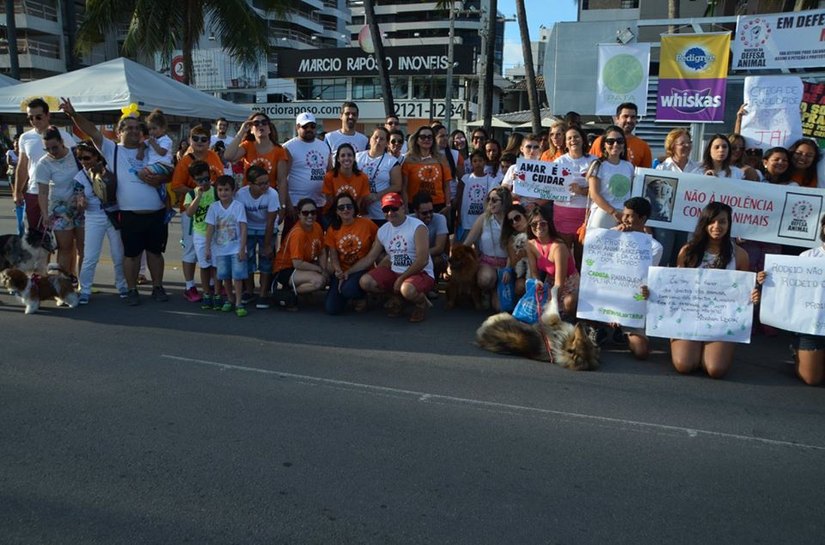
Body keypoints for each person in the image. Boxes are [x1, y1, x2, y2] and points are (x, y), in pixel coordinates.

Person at [61, 97, 171, 305]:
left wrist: (163, 178)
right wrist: (73, 114)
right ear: (119, 132)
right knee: (130, 255)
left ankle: (158, 287)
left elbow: (169, 171)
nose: (133, 131)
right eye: (128, 128)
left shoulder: (151, 148)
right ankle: (131, 290)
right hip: (130, 214)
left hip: (156, 212)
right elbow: (92, 131)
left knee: (156, 254)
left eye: (137, 128)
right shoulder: (112, 149)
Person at [671, 202, 759, 379]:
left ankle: (710, 347)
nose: (717, 227)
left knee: (715, 369)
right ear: (704, 224)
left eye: (722, 222)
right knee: (684, 364)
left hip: (722, 319)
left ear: (729, 224)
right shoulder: (688, 251)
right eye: (712, 222)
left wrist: (753, 295)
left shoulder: (740, 255)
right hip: (689, 315)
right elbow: (676, 287)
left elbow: (742, 292)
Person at [347, 192, 435, 322]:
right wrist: (348, 272)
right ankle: (398, 299)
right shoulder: (383, 230)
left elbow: (423, 260)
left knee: (407, 289)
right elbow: (370, 258)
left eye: (394, 208)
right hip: (395, 272)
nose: (390, 212)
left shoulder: (417, 227)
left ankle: (421, 304)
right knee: (365, 282)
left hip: (421, 273)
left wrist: (402, 278)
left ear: (403, 207)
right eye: (386, 209)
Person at [759, 215, 825, 385]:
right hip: (811, 328)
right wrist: (766, 279)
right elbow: (788, 289)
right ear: (823, 228)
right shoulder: (807, 257)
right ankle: (798, 351)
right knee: (811, 378)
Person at [169, 126, 225, 302]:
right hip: (193, 214)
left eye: (204, 139)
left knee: (214, 250)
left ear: (209, 141)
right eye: (196, 138)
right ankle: (189, 286)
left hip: (214, 213)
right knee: (191, 251)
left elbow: (220, 179)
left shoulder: (213, 156)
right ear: (190, 139)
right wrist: (196, 192)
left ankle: (213, 286)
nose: (200, 142)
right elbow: (176, 186)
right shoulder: (185, 161)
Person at [73, 142, 128, 304]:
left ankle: (121, 285)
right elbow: (78, 195)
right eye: (80, 158)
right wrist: (80, 201)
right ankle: (85, 289)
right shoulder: (79, 177)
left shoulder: (110, 170)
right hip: (93, 217)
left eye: (87, 157)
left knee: (118, 255)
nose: (84, 161)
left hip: (113, 215)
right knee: (90, 256)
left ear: (97, 156)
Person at [612, 197, 664, 359]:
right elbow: (588, 243)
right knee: (574, 301)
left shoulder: (654, 247)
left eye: (629, 216)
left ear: (642, 219)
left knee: (641, 351)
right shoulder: (612, 235)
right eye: (624, 215)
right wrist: (613, 234)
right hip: (607, 298)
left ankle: (623, 333)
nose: (625, 219)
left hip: (631, 304)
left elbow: (643, 280)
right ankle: (597, 326)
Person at [15, 98, 77, 231]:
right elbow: (22, 166)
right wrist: (17, 191)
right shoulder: (25, 138)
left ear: (48, 115)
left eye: (38, 117)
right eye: (30, 118)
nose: (34, 121)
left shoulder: (64, 136)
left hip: (60, 194)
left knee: (64, 238)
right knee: (37, 238)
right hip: (34, 191)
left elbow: (77, 163)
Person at [33, 125, 83, 274]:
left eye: (54, 147)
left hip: (81, 206)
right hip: (59, 210)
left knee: (83, 247)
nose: (51, 152)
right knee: (65, 248)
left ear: (62, 141)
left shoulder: (76, 154)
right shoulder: (44, 163)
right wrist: (45, 214)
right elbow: (42, 192)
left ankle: (83, 283)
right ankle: (62, 285)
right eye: (47, 149)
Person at [324, 193, 378, 315]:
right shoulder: (332, 229)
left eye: (349, 206)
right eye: (341, 207)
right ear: (336, 211)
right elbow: (333, 255)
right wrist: (338, 272)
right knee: (332, 309)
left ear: (354, 208)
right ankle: (349, 296)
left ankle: (361, 297)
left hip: (362, 269)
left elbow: (380, 244)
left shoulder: (367, 224)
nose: (346, 210)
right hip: (343, 271)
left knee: (348, 289)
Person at [654, 128, 702, 266]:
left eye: (689, 142)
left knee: (682, 258)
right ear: (672, 145)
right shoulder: (662, 168)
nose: (686, 146)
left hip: (688, 221)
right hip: (665, 221)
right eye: (682, 143)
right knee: (663, 255)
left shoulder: (700, 168)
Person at [234, 165, 280, 309]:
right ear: (250, 184)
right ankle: (249, 290)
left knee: (266, 260)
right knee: (247, 259)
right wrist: (241, 243)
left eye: (267, 182)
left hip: (267, 228)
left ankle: (263, 293)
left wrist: (267, 245)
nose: (266, 186)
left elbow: (271, 221)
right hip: (248, 228)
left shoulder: (272, 194)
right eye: (261, 184)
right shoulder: (241, 195)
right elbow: (240, 219)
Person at [462, 186, 512, 311]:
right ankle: (486, 291)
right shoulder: (484, 218)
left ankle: (496, 291)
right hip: (487, 263)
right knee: (486, 279)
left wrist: (507, 269)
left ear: (504, 202)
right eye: (489, 199)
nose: (490, 202)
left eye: (494, 200)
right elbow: (467, 243)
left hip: (507, 265)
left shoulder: (512, 220)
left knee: (500, 308)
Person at [272, 198, 327, 310]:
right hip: (286, 269)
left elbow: (322, 252)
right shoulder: (298, 233)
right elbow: (297, 263)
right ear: (299, 215)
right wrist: (319, 269)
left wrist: (324, 268)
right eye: (305, 213)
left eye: (313, 212)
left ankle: (304, 291)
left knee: (331, 271)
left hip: (304, 264)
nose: (310, 216)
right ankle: (288, 293)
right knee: (319, 281)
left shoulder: (317, 226)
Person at [205, 175, 248, 317]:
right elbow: (210, 228)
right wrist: (207, 248)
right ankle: (229, 299)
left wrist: (242, 248)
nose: (223, 193)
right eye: (220, 190)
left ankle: (239, 302)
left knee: (238, 276)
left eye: (227, 190)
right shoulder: (213, 208)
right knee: (225, 276)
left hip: (236, 248)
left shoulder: (238, 206)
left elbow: (243, 227)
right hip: (220, 249)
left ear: (233, 190)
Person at [524, 205, 579, 317]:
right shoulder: (530, 244)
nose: (538, 227)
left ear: (549, 224)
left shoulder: (558, 247)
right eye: (534, 224)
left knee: (567, 303)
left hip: (568, 284)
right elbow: (534, 273)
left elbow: (560, 283)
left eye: (543, 223)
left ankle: (573, 320)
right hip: (549, 283)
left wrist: (550, 307)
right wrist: (538, 288)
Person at [281, 112, 332, 233]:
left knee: (317, 240)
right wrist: (287, 204)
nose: (309, 129)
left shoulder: (324, 146)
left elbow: (330, 174)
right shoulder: (288, 147)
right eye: (305, 126)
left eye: (312, 126)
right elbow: (282, 179)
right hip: (296, 204)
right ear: (297, 127)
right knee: (291, 238)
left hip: (319, 203)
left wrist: (329, 201)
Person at [554, 125, 595, 267]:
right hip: (562, 213)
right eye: (569, 138)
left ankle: (580, 286)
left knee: (581, 256)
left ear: (583, 140)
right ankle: (565, 285)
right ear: (565, 143)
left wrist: (582, 191)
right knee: (564, 255)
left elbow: (601, 190)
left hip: (586, 214)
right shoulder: (559, 162)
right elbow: (549, 187)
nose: (573, 140)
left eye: (576, 137)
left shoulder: (594, 161)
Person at [183, 161, 219, 310]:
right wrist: (199, 196)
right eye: (200, 180)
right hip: (200, 234)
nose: (204, 182)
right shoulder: (191, 194)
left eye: (206, 179)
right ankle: (206, 293)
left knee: (216, 265)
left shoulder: (217, 191)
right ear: (194, 180)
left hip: (217, 234)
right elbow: (189, 213)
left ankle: (216, 291)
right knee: (204, 265)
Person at [585, 124, 634, 229]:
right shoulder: (598, 165)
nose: (615, 144)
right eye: (610, 141)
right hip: (604, 213)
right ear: (604, 145)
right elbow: (594, 193)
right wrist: (613, 212)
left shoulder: (629, 166)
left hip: (624, 216)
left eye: (619, 141)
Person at [224, 111, 287, 190]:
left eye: (264, 122)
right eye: (256, 123)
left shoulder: (279, 150)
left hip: (269, 195)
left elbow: (282, 181)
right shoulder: (247, 145)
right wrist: (242, 131)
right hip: (249, 195)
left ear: (269, 129)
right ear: (251, 130)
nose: (260, 125)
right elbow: (228, 156)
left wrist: (282, 202)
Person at [356, 127, 402, 226]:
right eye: (375, 137)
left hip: (381, 212)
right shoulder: (357, 157)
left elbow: (397, 186)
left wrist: (376, 196)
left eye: (382, 139)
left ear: (386, 143)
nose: (378, 141)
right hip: (360, 210)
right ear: (370, 139)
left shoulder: (391, 161)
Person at [401, 125, 451, 212]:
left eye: (429, 137)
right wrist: (405, 207)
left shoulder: (441, 159)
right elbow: (404, 187)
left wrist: (448, 205)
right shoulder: (408, 160)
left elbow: (447, 185)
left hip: (438, 205)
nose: (426, 140)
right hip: (415, 206)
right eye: (423, 137)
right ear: (417, 140)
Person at [589, 102, 652, 168]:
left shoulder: (643, 146)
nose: (629, 120)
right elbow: (591, 167)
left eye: (633, 117)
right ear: (617, 119)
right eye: (625, 116)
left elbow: (645, 174)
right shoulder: (600, 142)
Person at [457, 150, 501, 242]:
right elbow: (459, 199)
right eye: (475, 161)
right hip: (466, 222)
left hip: (484, 222)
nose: (478, 163)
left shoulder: (492, 180)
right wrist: (459, 216)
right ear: (471, 163)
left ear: (485, 162)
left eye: (480, 160)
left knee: (480, 250)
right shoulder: (465, 179)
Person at [502, 134, 550, 213]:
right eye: (528, 147)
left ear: (540, 149)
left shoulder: (546, 170)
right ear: (521, 148)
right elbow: (503, 191)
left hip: (538, 211)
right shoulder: (513, 168)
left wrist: (536, 204)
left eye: (535, 147)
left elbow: (551, 193)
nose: (532, 150)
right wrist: (513, 196)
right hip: (517, 209)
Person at [322, 143, 370, 215]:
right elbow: (330, 201)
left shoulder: (363, 177)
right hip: (333, 214)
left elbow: (359, 202)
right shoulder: (329, 177)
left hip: (352, 215)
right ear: (338, 159)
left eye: (349, 155)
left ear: (354, 158)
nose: (346, 158)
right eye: (343, 155)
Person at [411, 191, 449, 281]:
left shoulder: (440, 218)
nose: (429, 215)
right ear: (416, 212)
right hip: (414, 255)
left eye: (431, 211)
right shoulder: (409, 220)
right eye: (424, 213)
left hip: (433, 255)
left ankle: (433, 283)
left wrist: (420, 257)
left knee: (437, 260)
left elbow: (439, 248)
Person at [501, 204, 529, 298]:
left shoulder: (536, 230)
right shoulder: (512, 238)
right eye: (511, 221)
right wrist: (507, 269)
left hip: (541, 268)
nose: (515, 222)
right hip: (523, 270)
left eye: (517, 218)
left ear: (525, 215)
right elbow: (513, 260)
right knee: (520, 286)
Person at [7, 135, 22, 236]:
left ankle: (21, 203)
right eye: (16, 144)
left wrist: (19, 164)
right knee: (14, 189)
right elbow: (9, 162)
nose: (17, 146)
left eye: (18, 144)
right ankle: (16, 203)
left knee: (22, 189)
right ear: (14, 144)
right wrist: (18, 164)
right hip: (12, 174)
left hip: (21, 173)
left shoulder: (22, 153)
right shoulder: (10, 152)